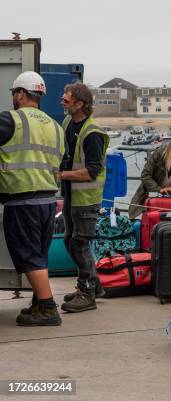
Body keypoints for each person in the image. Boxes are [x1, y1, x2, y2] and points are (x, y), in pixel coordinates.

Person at [0, 71, 65, 325]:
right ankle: (39, 302)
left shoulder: (11, 120)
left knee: (28, 255)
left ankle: (48, 308)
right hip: (48, 201)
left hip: (23, 199)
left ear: (20, 93)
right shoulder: (55, 127)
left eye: (14, 93)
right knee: (38, 255)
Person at [59, 83, 110, 313]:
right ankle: (93, 284)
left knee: (79, 243)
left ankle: (87, 292)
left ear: (80, 104)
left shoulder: (93, 133)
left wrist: (61, 174)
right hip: (71, 195)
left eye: (67, 100)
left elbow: (91, 171)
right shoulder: (68, 122)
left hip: (87, 199)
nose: (62, 102)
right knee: (69, 241)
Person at [128, 135, 171, 219]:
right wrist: (159, 189)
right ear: (170, 149)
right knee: (149, 218)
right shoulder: (158, 155)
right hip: (152, 192)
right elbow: (145, 175)